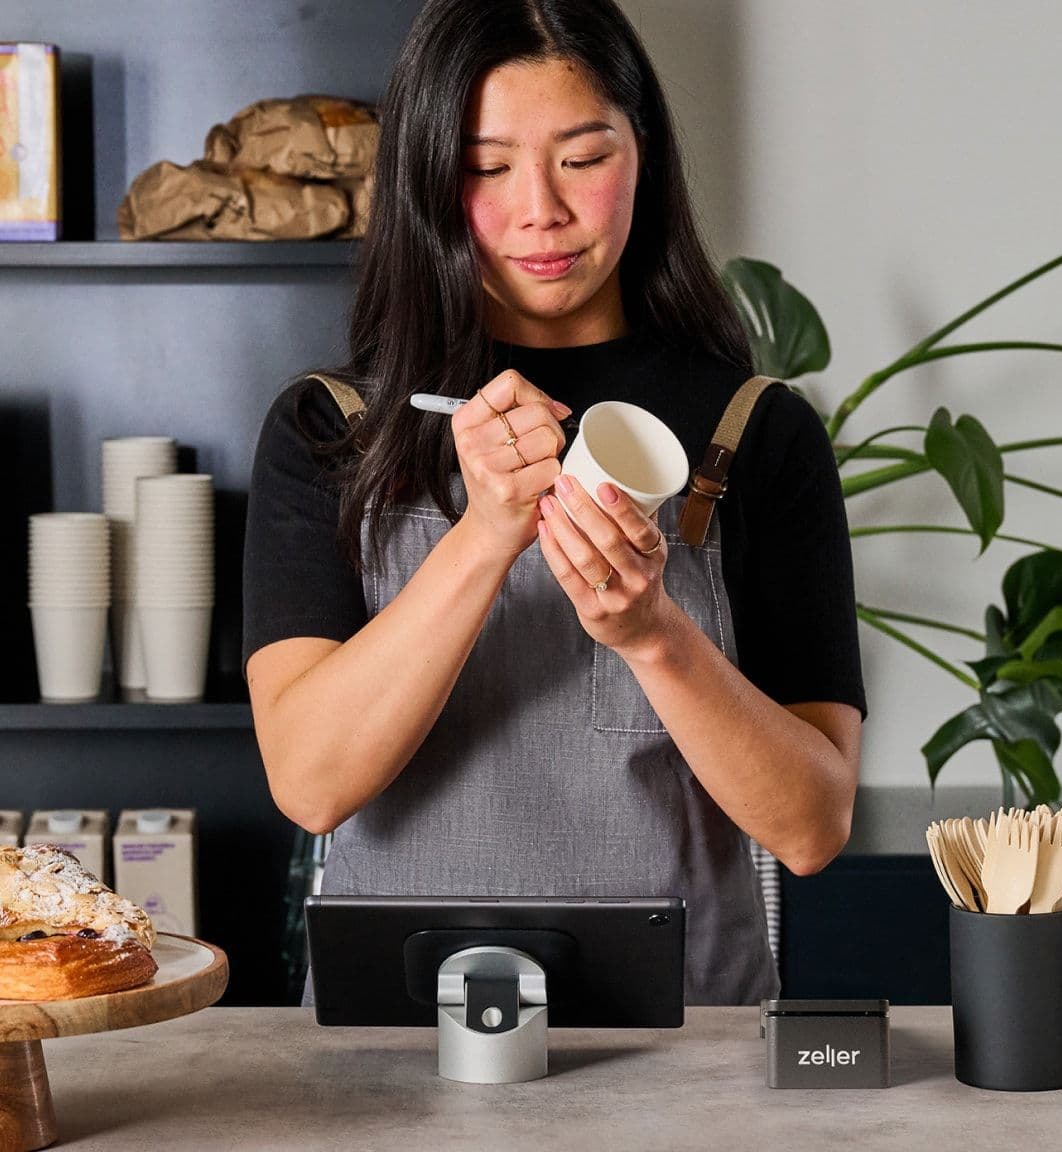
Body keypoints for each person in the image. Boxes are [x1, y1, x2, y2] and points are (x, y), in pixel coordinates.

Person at [243, 0, 865, 1006]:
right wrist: (486, 536)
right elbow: (312, 783)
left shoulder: (757, 433)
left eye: (582, 157)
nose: (542, 208)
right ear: (427, 180)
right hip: (397, 1041)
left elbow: (811, 827)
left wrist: (655, 634)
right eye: (488, 167)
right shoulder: (333, 430)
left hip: (683, 1036)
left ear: (645, 156)